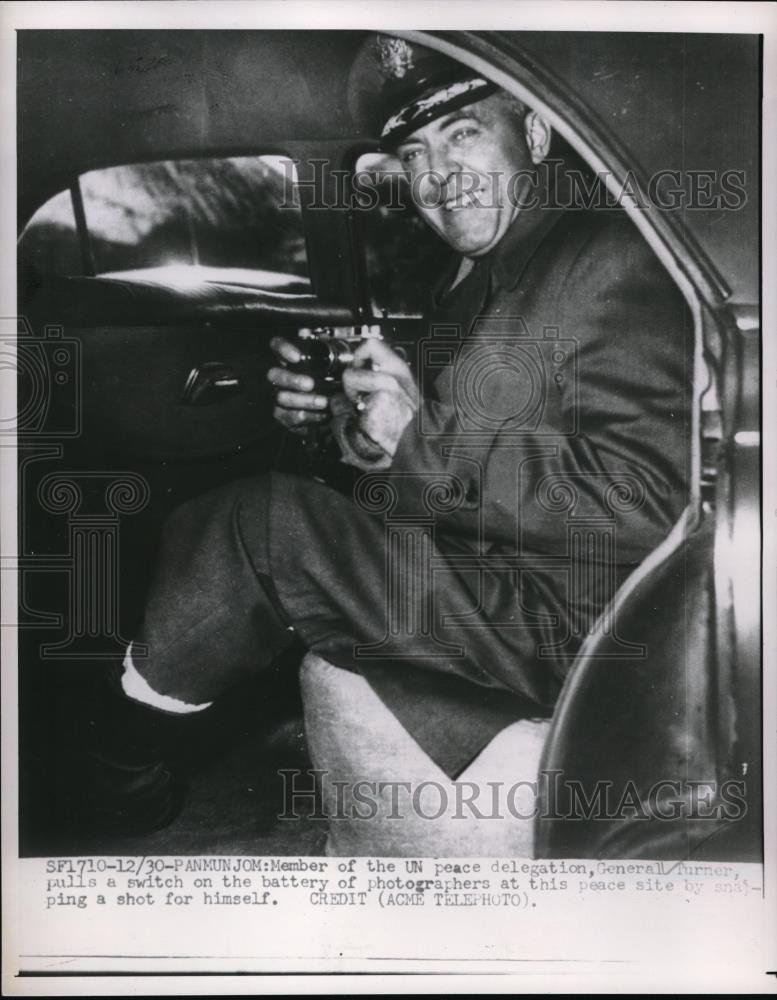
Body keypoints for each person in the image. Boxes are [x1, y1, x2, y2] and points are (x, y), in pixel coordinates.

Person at [85, 36, 692, 840]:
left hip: (576, 618)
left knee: (254, 523)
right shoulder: (476, 277)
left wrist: (420, 436)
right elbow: (430, 455)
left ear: (535, 136)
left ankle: (119, 766)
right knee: (246, 518)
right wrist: (347, 430)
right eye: (413, 152)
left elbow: (653, 506)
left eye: (463, 133)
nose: (437, 177)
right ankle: (127, 752)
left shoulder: (608, 256)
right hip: (487, 573)